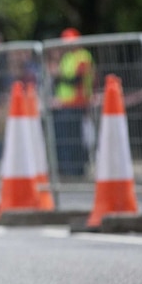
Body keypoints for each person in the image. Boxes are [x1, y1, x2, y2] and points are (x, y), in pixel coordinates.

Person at [50, 28, 95, 177]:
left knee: (75, 138)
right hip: (64, 104)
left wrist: (58, 75)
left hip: (77, 103)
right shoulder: (67, 57)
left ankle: (76, 169)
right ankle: (67, 168)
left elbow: (77, 80)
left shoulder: (83, 57)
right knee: (65, 138)